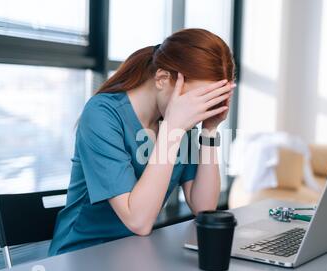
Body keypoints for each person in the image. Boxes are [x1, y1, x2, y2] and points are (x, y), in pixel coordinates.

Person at [48, 28, 236, 256]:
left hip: (133, 254)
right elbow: (138, 221)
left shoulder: (178, 120)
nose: (200, 109)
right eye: (198, 99)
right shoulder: (102, 114)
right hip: (81, 255)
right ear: (162, 78)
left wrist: (209, 129)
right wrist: (173, 130)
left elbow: (204, 208)